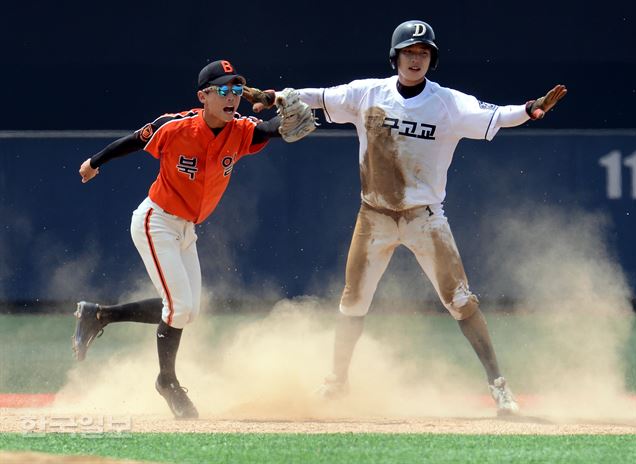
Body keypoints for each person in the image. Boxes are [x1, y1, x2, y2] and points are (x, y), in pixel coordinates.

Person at [288, 20, 566, 414]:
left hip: (425, 219)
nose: (416, 58)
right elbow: (316, 96)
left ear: (430, 60)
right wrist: (277, 96)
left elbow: (499, 115)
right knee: (353, 302)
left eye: (423, 53)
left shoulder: (448, 103)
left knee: (461, 302)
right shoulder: (368, 93)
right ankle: (337, 382)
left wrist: (530, 109)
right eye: (409, 52)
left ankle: (499, 386)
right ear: (395, 57)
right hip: (374, 217)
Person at [72, 59, 296, 419]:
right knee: (179, 308)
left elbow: (269, 130)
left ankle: (99, 315)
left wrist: (285, 114)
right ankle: (167, 382)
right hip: (155, 221)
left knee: (185, 310)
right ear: (203, 96)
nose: (231, 97)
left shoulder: (240, 130)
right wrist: (95, 161)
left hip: (186, 230)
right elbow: (133, 141)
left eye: (236, 90)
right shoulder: (176, 126)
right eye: (222, 90)